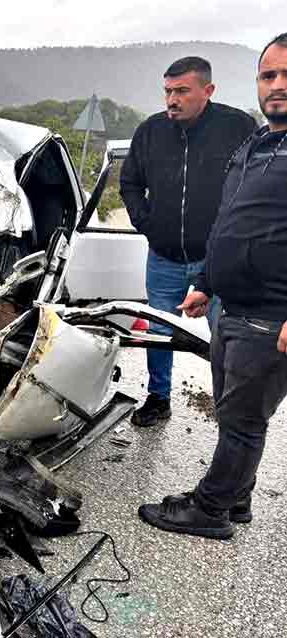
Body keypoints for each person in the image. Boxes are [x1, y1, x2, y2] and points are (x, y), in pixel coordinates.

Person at [138, 33, 287, 540]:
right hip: (234, 304)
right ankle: (236, 495)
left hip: (270, 313)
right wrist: (205, 282)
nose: (277, 85)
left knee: (243, 418)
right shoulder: (259, 144)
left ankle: (210, 509)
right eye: (268, 75)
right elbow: (231, 220)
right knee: (232, 410)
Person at [120, 57, 256, 427]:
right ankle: (158, 398)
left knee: (225, 338)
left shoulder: (239, 127)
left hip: (218, 261)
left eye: (182, 91)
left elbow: (256, 186)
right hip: (163, 258)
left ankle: (230, 409)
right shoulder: (150, 131)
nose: (172, 100)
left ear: (208, 90)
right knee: (158, 333)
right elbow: (130, 183)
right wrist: (147, 223)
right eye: (168, 91)